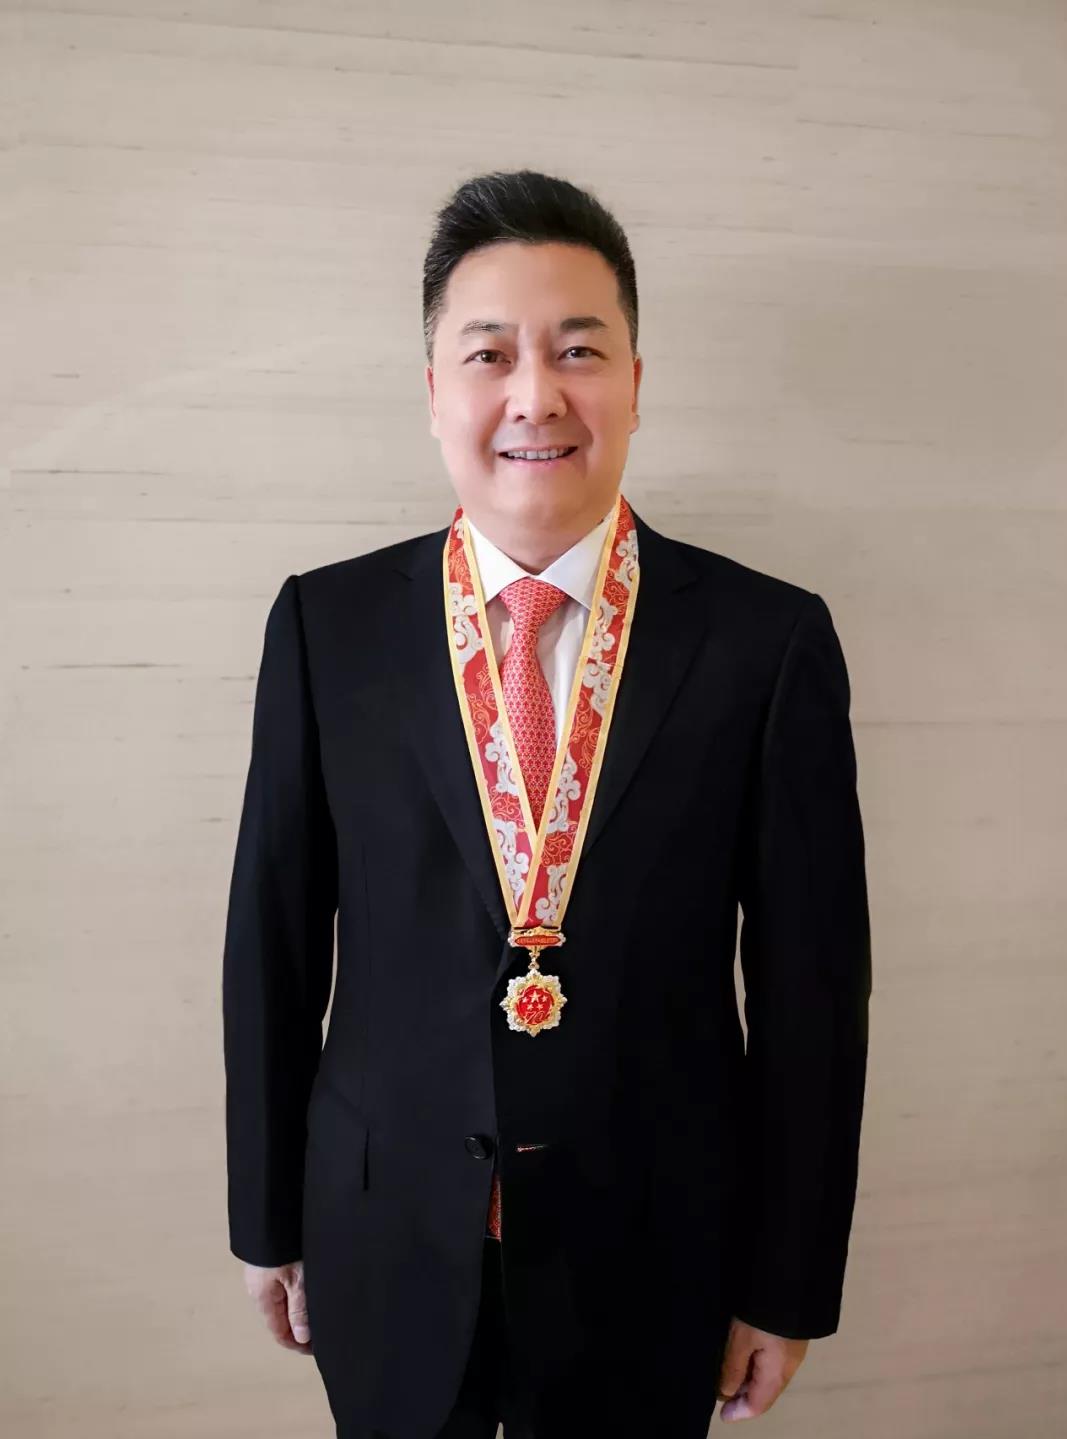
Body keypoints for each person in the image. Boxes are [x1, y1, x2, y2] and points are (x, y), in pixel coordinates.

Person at [222, 169, 872, 1439]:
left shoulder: (765, 641)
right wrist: (267, 1215)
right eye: (490, 354)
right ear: (434, 389)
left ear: (635, 378)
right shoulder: (327, 626)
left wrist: (786, 1279)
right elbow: (273, 942)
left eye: (579, 349)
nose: (536, 395)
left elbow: (810, 992)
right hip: (383, 1230)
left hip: (655, 1247)